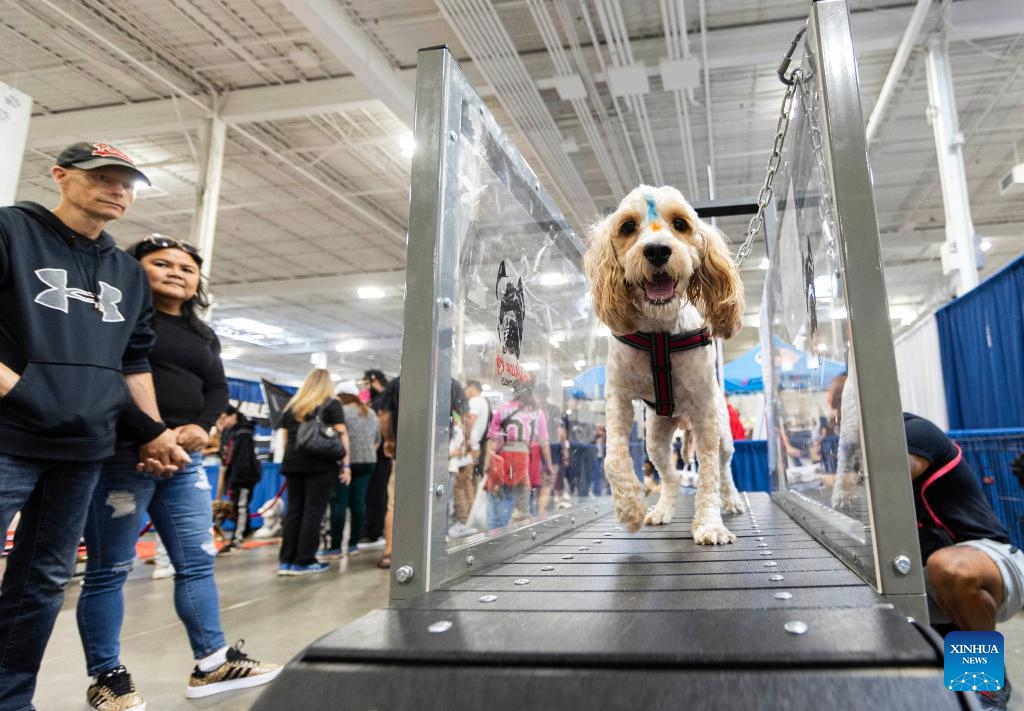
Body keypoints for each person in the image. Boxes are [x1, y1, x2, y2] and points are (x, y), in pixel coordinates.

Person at [0, 142, 190, 708]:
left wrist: (153, 430)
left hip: (84, 449)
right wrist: (28, 391)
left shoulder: (128, 274)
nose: (117, 189)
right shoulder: (12, 231)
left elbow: (132, 361)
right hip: (8, 436)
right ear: (61, 176)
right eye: (103, 177)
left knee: (41, 584)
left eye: (127, 182)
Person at [75, 235, 280, 709]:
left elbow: (217, 385)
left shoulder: (201, 332)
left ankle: (213, 664)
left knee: (196, 562)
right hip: (126, 454)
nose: (176, 273)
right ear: (133, 269)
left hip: (184, 462)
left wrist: (200, 426)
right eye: (161, 263)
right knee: (109, 570)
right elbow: (109, 376)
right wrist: (152, 431)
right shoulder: (115, 314)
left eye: (187, 269)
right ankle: (107, 677)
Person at [905, 412, 1023, 710]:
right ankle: (961, 680)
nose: (836, 418)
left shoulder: (915, 432)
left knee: (947, 568)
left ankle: (985, 680)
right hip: (931, 574)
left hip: (989, 558)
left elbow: (898, 470)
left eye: (838, 407)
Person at [378, 376, 468, 568]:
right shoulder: (450, 383)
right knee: (437, 499)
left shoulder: (398, 382)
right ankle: (434, 548)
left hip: (406, 448)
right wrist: (459, 442)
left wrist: (388, 440)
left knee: (396, 503)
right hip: (438, 450)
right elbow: (462, 415)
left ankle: (390, 551)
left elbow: (384, 415)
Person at [276, 368, 351, 576]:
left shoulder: (293, 405)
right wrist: (345, 465)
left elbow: (285, 438)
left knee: (294, 511)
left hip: (293, 463)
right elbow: (341, 435)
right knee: (313, 511)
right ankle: (304, 560)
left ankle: (286, 561)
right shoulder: (331, 404)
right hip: (320, 464)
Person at [482, 384, 556, 527]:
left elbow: (492, 440)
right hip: (523, 455)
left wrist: (487, 463)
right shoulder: (536, 412)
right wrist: (549, 465)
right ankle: (523, 524)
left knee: (499, 494)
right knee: (523, 491)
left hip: (504, 454)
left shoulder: (503, 409)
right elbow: (544, 443)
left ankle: (497, 530)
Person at [321, 381, 380, 557]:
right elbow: (377, 439)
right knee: (359, 503)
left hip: (345, 462)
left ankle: (336, 547)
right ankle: (354, 544)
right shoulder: (370, 413)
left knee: (339, 503)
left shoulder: (341, 412)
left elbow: (333, 437)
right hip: (368, 461)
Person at [217, 405, 262, 555]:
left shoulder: (243, 433)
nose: (223, 421)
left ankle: (237, 539)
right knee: (237, 506)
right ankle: (244, 531)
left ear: (233, 415)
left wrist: (237, 480)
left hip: (244, 476)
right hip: (234, 475)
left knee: (241, 507)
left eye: (224, 418)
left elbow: (242, 460)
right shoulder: (230, 432)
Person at [360, 369, 390, 549]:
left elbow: (382, 426)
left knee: (376, 495)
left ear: (374, 381)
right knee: (373, 494)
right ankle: (371, 530)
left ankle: (373, 532)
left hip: (379, 455)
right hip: (375, 454)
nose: (365, 387)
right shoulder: (378, 400)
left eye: (367, 383)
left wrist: (381, 444)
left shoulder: (382, 400)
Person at [464, 380, 491, 480]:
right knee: (469, 481)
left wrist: (467, 439)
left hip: (470, 446)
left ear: (472, 387)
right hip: (475, 446)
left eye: (466, 388)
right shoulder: (483, 401)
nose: (465, 391)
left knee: (461, 483)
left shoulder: (475, 401)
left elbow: (470, 419)